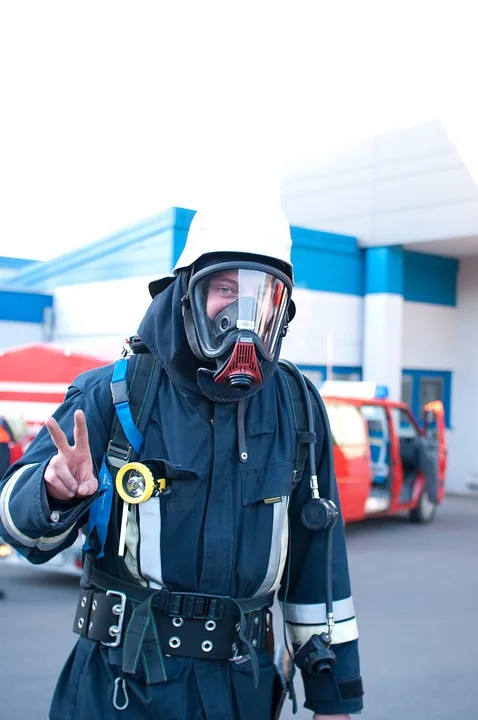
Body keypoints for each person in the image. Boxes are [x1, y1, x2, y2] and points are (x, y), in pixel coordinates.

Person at [0, 206, 363, 719]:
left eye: (261, 296)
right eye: (226, 290)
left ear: (283, 312)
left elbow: (318, 568)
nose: (241, 317)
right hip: (122, 690)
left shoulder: (296, 408)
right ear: (189, 294)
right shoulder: (114, 393)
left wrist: (333, 700)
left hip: (244, 692)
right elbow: (17, 528)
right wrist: (53, 494)